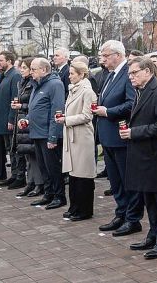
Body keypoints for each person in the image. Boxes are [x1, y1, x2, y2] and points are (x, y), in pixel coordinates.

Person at [120, 56, 157, 260]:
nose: (131, 77)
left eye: (134, 73)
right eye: (129, 74)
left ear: (147, 71)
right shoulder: (141, 91)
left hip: (156, 157)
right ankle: (153, 236)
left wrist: (134, 132)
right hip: (144, 156)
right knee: (150, 201)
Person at [93, 40, 143, 236]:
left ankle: (132, 219)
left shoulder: (127, 74)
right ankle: (121, 213)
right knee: (115, 181)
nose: (103, 59)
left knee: (126, 180)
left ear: (118, 55)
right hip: (108, 137)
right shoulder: (109, 75)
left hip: (121, 137)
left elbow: (132, 104)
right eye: (102, 56)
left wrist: (108, 111)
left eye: (106, 56)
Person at [26, 57, 67, 209]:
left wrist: (53, 137)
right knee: (43, 167)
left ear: (44, 70)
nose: (31, 72)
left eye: (33, 69)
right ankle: (48, 194)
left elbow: (57, 111)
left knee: (53, 167)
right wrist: (27, 119)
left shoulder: (55, 84)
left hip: (47, 134)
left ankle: (59, 196)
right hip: (37, 132)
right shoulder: (37, 84)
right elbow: (36, 107)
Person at [59, 60, 97, 221]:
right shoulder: (73, 90)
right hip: (72, 136)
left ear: (81, 75)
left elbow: (87, 115)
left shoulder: (87, 92)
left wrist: (67, 120)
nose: (69, 76)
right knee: (73, 174)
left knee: (83, 175)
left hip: (82, 137)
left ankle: (85, 209)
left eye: (72, 73)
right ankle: (74, 206)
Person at [13, 58, 44, 198]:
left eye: (25, 68)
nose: (22, 70)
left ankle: (39, 183)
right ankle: (30, 182)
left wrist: (22, 106)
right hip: (22, 120)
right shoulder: (22, 82)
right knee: (27, 154)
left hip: (31, 120)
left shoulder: (34, 84)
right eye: (22, 67)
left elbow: (35, 104)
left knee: (34, 154)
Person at [0, 51, 21, 186]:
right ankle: (14, 175)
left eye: (1, 60)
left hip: (8, 119)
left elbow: (15, 98)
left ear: (9, 61)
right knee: (9, 148)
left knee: (13, 148)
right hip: (2, 118)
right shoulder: (4, 75)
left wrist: (11, 119)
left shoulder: (15, 75)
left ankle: (18, 176)